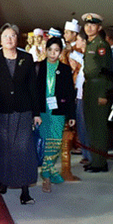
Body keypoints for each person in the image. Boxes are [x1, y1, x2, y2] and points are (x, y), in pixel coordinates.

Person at [0, 23, 41, 205]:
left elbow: (33, 87)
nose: (9, 39)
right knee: (2, 148)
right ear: (0, 40)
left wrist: (36, 113)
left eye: (13, 36)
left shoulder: (26, 58)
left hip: (22, 111)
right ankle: (3, 181)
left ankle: (25, 190)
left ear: (17, 39)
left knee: (23, 149)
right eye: (6, 36)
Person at [36, 37, 76, 193]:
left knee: (55, 143)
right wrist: (34, 113)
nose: (53, 53)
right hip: (42, 112)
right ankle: (47, 176)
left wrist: (71, 115)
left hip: (58, 111)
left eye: (56, 50)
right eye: (50, 50)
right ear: (46, 50)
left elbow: (70, 94)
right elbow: (32, 92)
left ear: (61, 52)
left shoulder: (65, 69)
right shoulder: (38, 67)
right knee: (45, 143)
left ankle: (47, 171)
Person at [81, 13, 113, 173]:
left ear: (99, 27)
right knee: (91, 126)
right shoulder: (90, 44)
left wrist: (104, 94)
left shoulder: (101, 45)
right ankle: (95, 160)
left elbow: (106, 71)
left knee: (99, 127)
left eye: (93, 25)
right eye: (87, 25)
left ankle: (100, 163)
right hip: (89, 87)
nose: (89, 28)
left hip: (98, 87)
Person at [69, 30, 91, 165]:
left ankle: (90, 156)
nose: (76, 42)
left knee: (85, 128)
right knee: (81, 128)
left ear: (84, 41)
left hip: (84, 96)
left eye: (78, 39)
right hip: (79, 95)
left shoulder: (89, 57)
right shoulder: (84, 56)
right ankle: (86, 154)